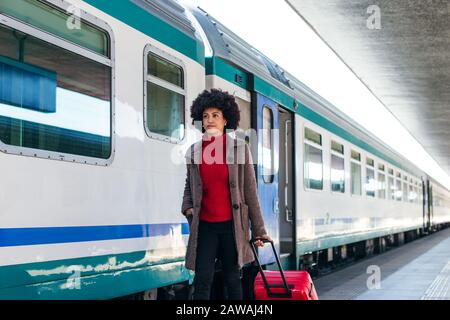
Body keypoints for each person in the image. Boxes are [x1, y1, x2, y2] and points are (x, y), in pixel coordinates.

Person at [181, 88, 271, 300]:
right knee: (202, 280)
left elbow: (250, 192)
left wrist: (258, 230)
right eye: (205, 116)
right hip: (205, 226)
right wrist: (187, 206)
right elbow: (189, 185)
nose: (209, 120)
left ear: (225, 119)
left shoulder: (240, 149)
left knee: (232, 279)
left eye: (215, 115)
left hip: (232, 227)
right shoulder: (193, 151)